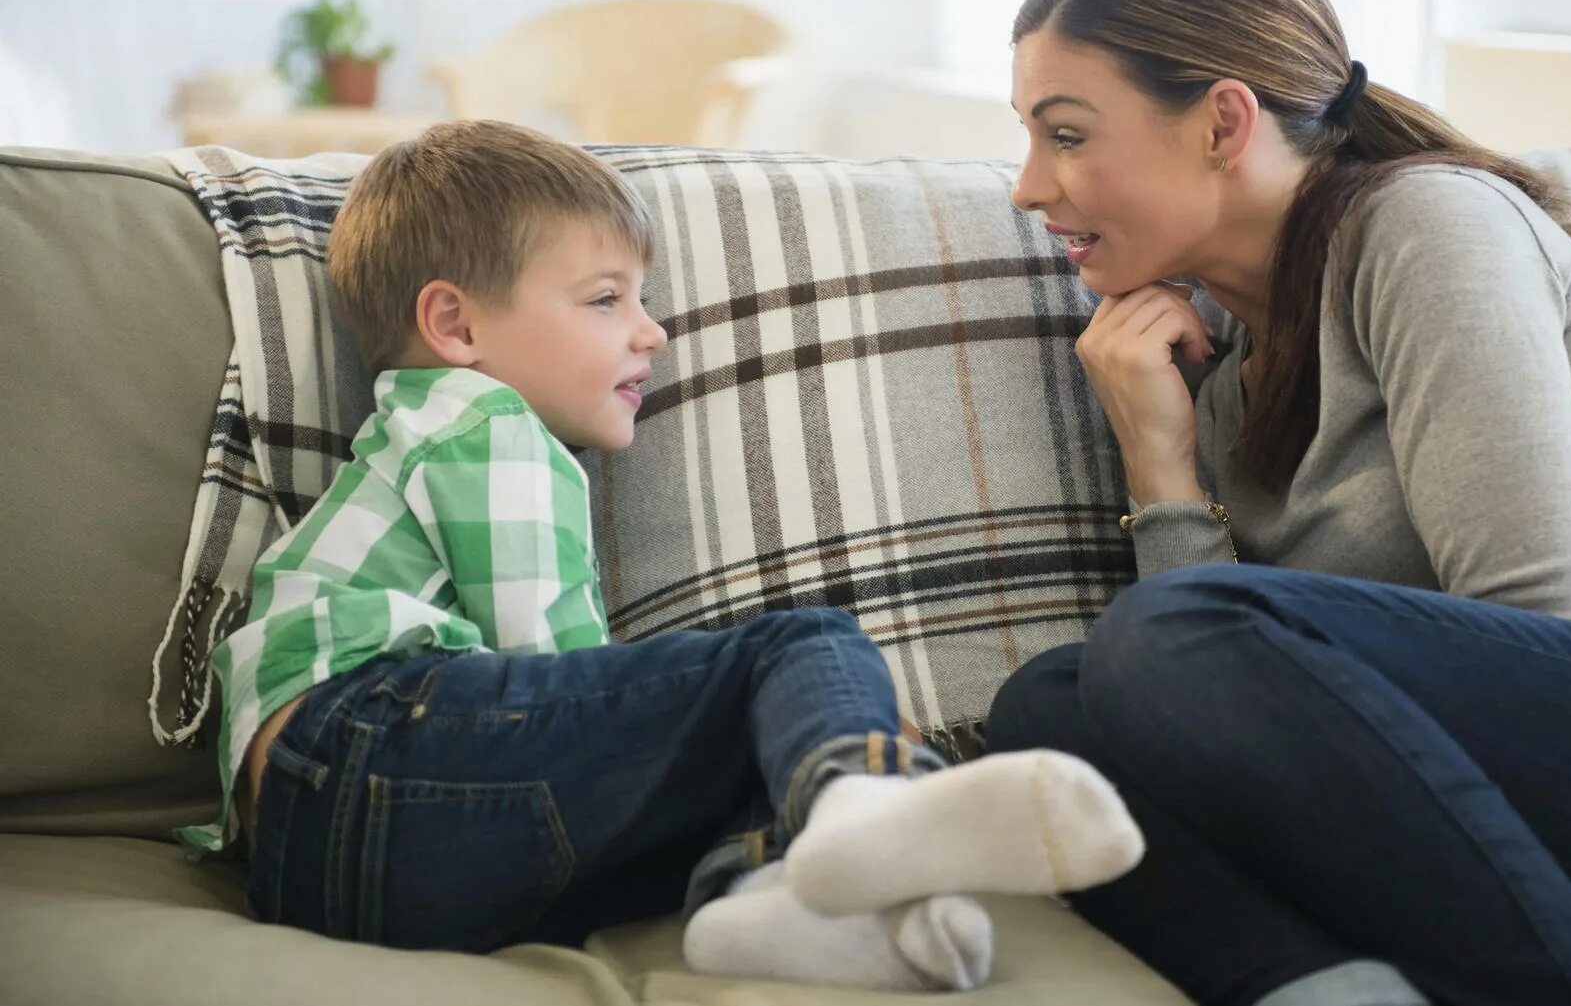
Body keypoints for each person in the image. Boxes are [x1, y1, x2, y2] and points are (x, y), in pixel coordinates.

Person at [988, 0, 1571, 1006]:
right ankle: (1328, 990)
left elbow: (1547, 645)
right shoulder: (1215, 372)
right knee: (1054, 712)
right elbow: (1196, 734)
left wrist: (1194, 628)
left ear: (1224, 122)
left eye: (1068, 134)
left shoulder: (1425, 227)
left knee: (1172, 634)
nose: (1031, 186)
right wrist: (1163, 473)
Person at [180, 120, 1145, 990]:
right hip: (365, 747)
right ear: (456, 325)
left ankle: (768, 905)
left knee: (728, 769)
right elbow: (552, 663)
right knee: (799, 646)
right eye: (606, 299)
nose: (653, 330)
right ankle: (865, 797)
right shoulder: (480, 419)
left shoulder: (431, 433)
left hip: (334, 865)